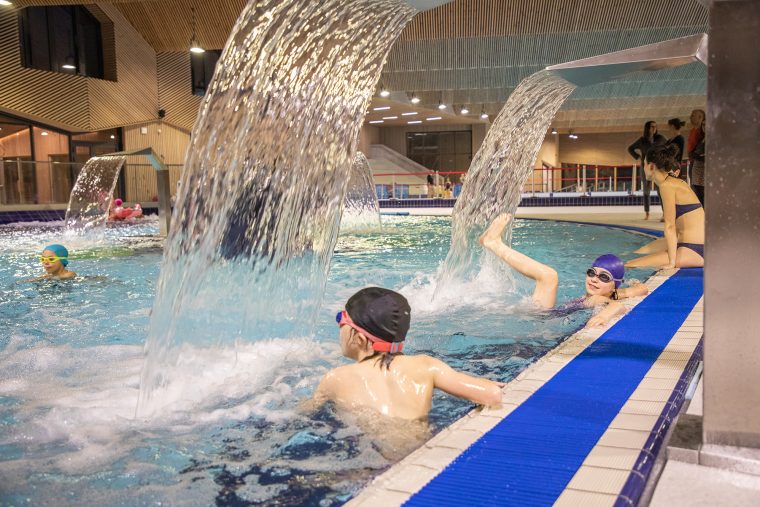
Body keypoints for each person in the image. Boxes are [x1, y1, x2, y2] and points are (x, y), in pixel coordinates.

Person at [311, 287, 503, 420]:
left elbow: (306, 414)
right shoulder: (426, 366)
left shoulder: (335, 378)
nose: (338, 326)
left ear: (360, 339)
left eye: (340, 320)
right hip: (418, 448)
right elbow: (493, 395)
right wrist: (482, 383)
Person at [480, 214, 648, 326]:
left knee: (549, 276)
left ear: (614, 285)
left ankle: (494, 243)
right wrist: (635, 286)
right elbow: (641, 289)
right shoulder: (614, 291)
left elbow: (616, 307)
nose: (594, 279)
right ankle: (492, 243)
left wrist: (603, 317)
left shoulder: (595, 299)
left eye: (604, 277)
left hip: (543, 317)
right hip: (540, 314)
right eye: (592, 273)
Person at [626, 144, 704, 269]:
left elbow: (670, 226)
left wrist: (671, 262)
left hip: (696, 250)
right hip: (692, 243)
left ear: (651, 166)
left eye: (644, 164)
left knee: (630, 265)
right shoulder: (672, 181)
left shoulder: (667, 186)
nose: (643, 167)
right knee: (641, 251)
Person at [628, 121, 667, 220]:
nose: (654, 128)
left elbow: (668, 148)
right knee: (646, 190)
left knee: (661, 191)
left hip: (658, 167)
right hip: (645, 168)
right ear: (647, 128)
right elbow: (630, 148)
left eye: (655, 126)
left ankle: (665, 213)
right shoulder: (642, 140)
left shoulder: (661, 139)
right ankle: (647, 213)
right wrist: (638, 156)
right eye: (651, 127)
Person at [686, 109, 706, 184]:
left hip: (698, 164)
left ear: (700, 117)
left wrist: (694, 156)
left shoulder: (702, 133)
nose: (690, 117)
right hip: (692, 163)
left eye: (693, 115)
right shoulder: (693, 131)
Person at [689, 120, 706, 206]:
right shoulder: (701, 139)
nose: (705, 127)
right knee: (697, 194)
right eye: (703, 125)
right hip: (696, 170)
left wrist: (697, 156)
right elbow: (691, 154)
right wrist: (699, 156)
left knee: (703, 195)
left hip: (704, 172)